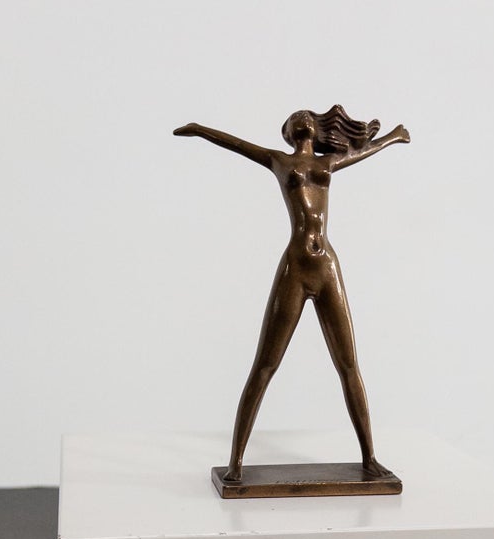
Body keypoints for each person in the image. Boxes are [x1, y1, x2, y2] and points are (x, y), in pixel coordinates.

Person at [174, 104, 410, 482]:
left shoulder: (328, 162)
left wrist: (393, 137)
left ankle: (369, 457)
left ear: (315, 129)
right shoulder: (279, 161)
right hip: (296, 269)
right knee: (265, 365)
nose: (303, 117)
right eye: (295, 117)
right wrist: (201, 129)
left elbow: (363, 151)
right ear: (288, 132)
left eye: (307, 116)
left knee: (348, 365)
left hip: (327, 267)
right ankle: (235, 462)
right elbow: (238, 145)